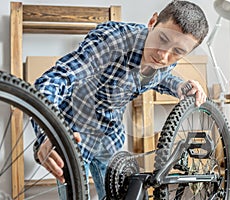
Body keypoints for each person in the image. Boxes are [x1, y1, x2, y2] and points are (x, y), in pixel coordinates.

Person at [32, 0, 209, 199]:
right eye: (162, 39)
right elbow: (56, 80)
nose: (163, 54)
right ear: (152, 22)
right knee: (75, 194)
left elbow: (157, 76)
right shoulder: (113, 43)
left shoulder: (165, 57)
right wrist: (47, 131)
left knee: (118, 194)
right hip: (74, 132)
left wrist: (180, 86)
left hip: (109, 136)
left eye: (177, 52)